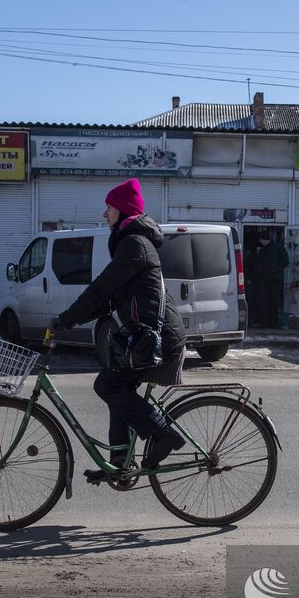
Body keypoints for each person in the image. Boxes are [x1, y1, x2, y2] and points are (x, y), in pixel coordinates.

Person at [50, 178, 188, 482]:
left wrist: (67, 319)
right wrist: (69, 318)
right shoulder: (133, 243)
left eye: (109, 208)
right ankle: (120, 465)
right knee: (118, 388)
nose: (105, 215)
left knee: (107, 386)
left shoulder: (134, 244)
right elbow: (108, 299)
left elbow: (101, 288)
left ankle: (164, 434)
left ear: (123, 211)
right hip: (148, 337)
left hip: (158, 341)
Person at [256, 229, 287, 329]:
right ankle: (266, 322)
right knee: (265, 301)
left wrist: (274, 269)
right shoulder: (265, 249)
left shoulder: (276, 248)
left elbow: (285, 261)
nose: (260, 241)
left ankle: (271, 322)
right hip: (267, 279)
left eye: (261, 239)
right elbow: (259, 263)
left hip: (274, 279)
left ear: (264, 239)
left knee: (272, 301)